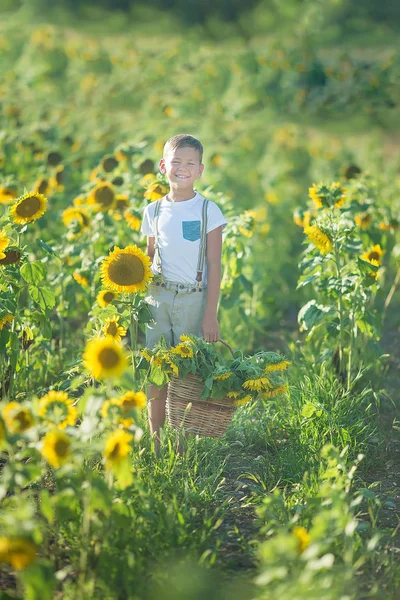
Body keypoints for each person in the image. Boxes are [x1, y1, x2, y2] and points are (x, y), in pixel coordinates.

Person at [141, 133, 227, 453]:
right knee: (156, 369)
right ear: (164, 166)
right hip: (158, 297)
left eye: (190, 163)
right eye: (176, 162)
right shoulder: (154, 210)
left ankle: (182, 445)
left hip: (193, 299)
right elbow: (148, 257)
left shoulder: (208, 211)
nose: (182, 168)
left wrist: (210, 314)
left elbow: (215, 264)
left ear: (200, 170)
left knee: (186, 374)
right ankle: (157, 442)